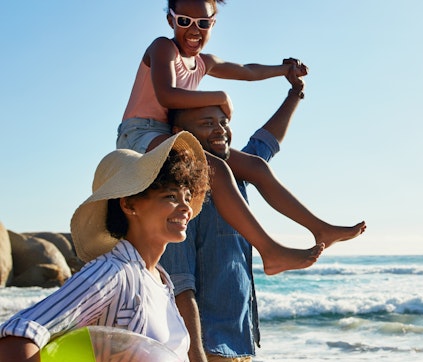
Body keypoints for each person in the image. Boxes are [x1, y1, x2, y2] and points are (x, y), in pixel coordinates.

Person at [118, 0, 364, 274]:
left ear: (213, 23)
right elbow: (166, 94)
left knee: (256, 166)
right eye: (184, 21)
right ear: (171, 21)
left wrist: (284, 71)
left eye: (203, 23)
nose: (193, 29)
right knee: (217, 169)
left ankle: (320, 229)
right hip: (142, 132)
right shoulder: (163, 47)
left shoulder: (204, 62)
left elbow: (247, 71)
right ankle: (270, 251)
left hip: (173, 135)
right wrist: (221, 97)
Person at [159, 70, 339, 362]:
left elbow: (265, 143)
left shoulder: (238, 175)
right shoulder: (187, 201)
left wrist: (294, 95)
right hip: (208, 350)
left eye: (224, 122)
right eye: (207, 123)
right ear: (184, 137)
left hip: (239, 344)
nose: (221, 129)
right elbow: (181, 285)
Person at [0, 133, 216, 362]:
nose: (186, 207)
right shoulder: (114, 273)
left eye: (187, 197)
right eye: (170, 197)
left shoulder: (161, 281)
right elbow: (18, 334)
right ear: (129, 205)